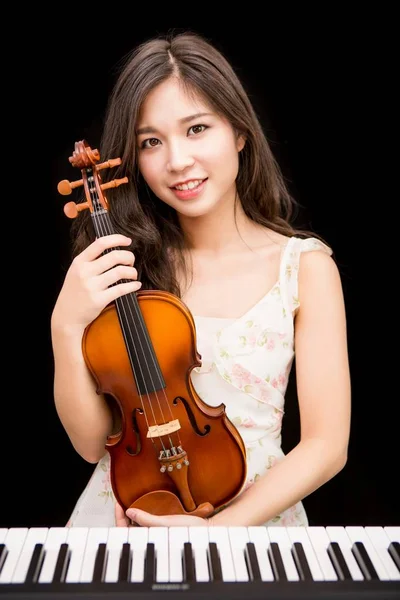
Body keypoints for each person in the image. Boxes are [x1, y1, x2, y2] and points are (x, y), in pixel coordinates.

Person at [51, 30, 351, 529]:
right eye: (151, 141)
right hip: (131, 517)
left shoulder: (305, 268)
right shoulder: (125, 267)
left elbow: (326, 444)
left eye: (196, 129)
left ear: (238, 130)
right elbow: (91, 444)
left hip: (253, 527)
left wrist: (216, 533)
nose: (177, 161)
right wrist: (64, 324)